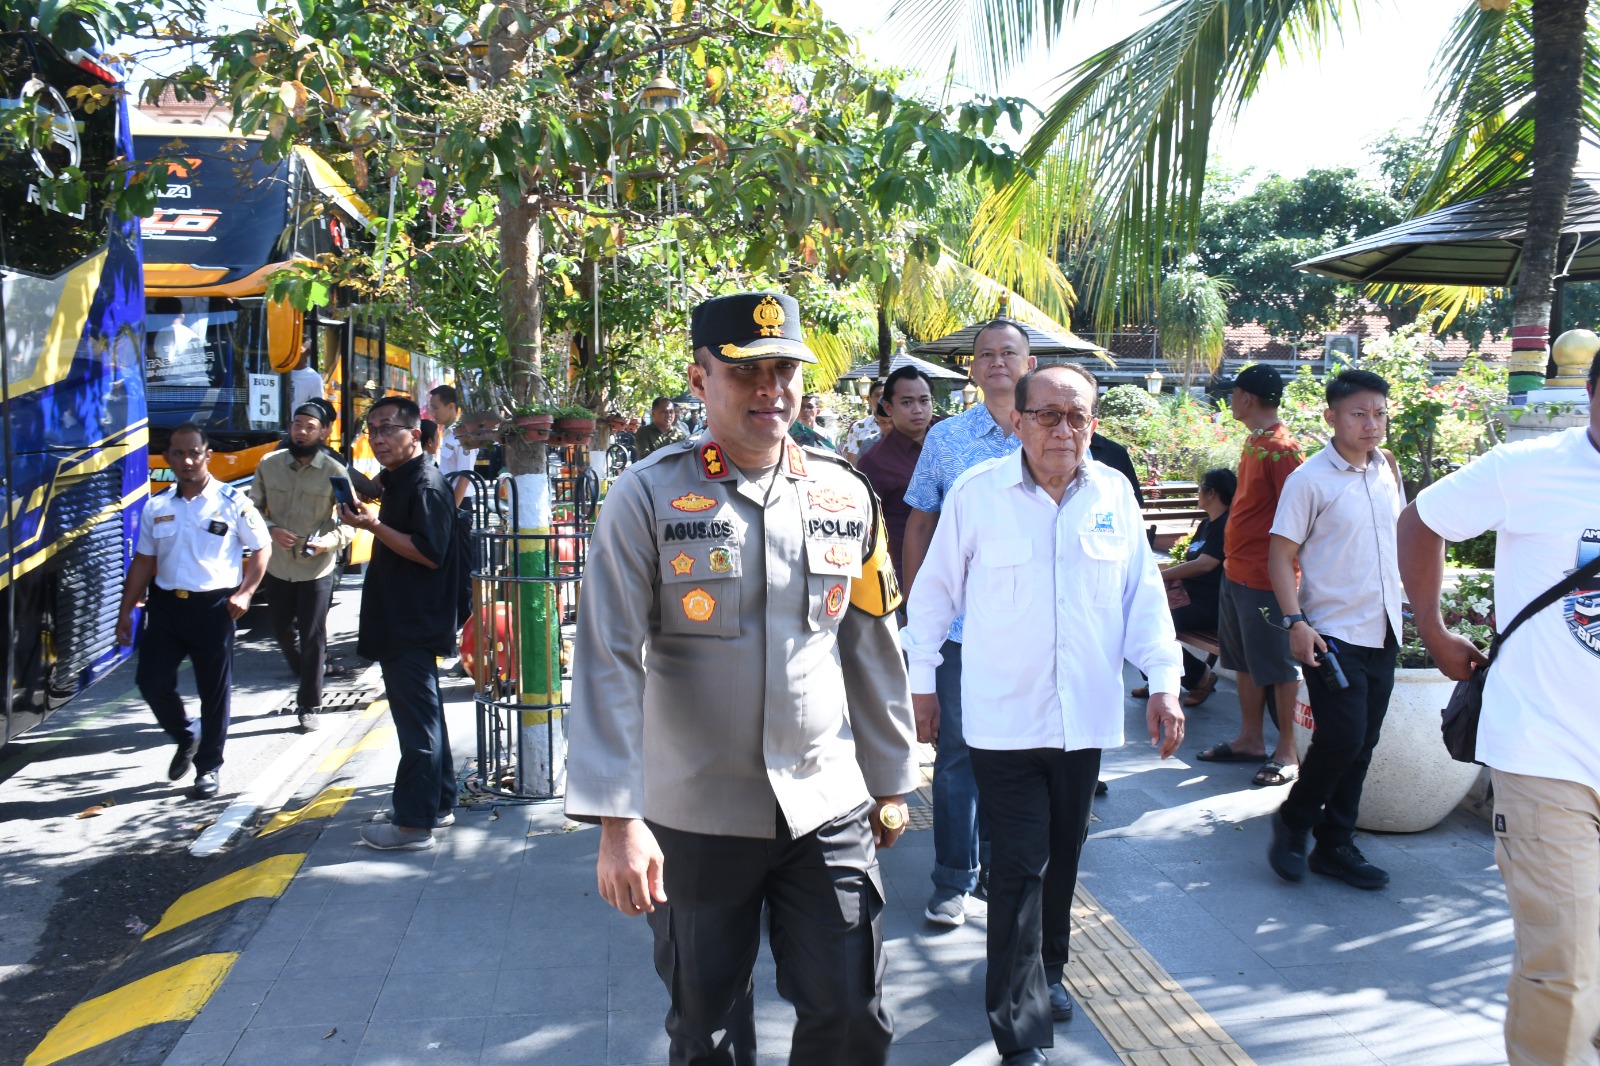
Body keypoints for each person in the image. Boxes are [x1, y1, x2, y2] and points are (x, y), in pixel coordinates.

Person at [565, 291, 919, 1066]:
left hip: (824, 802)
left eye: (784, 369)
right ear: (700, 381)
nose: (770, 390)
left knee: (854, 1012)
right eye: (746, 372)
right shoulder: (648, 495)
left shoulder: (844, 492)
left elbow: (870, 643)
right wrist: (617, 823)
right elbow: (608, 658)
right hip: (692, 815)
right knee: (708, 1026)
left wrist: (891, 780)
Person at [903, 363, 1184, 1066]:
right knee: (1018, 867)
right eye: (1048, 416)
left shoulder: (1114, 493)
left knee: (1063, 859)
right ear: (1020, 422)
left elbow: (1142, 597)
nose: (1064, 429)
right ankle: (1020, 1029)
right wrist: (923, 682)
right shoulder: (978, 494)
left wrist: (1165, 682)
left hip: (1083, 720)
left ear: (1093, 423)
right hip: (1001, 720)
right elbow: (934, 595)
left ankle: (1049, 970)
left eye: (1077, 416)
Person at [1397, 349, 1600, 1065]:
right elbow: (1421, 520)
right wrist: (1433, 628)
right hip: (1548, 754)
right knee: (1565, 969)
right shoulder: (1530, 467)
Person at [902, 317, 1035, 927]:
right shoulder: (947, 438)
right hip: (960, 627)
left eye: (1010, 353)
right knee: (957, 755)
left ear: (1028, 363)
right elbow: (921, 522)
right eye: (987, 355)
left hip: (1037, 628)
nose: (999, 362)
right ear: (973, 369)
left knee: (1025, 753)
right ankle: (953, 878)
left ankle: (1003, 871)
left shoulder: (1056, 432)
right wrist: (913, 604)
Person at [1265, 370, 1404, 889]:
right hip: (1331, 631)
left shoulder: (1387, 466)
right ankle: (1295, 820)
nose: (1372, 424)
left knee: (1363, 741)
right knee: (1341, 737)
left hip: (1384, 627)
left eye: (1380, 413)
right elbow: (1280, 556)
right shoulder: (1310, 479)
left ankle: (1334, 844)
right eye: (1359, 413)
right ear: (1331, 417)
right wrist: (1295, 622)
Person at [115, 424, 271, 798]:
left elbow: (262, 548)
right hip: (167, 607)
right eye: (179, 454)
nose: (187, 461)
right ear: (168, 459)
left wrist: (246, 593)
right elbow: (142, 561)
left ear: (207, 455)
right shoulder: (157, 506)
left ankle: (209, 769)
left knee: (213, 693)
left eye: (194, 453)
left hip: (214, 608)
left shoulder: (233, 502)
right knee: (151, 682)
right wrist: (124, 611)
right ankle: (186, 736)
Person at [340, 397, 461, 850]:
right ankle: (440, 801)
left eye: (389, 428)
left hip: (411, 621)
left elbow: (429, 552)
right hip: (399, 617)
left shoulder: (426, 484)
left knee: (417, 727)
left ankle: (412, 825)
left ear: (416, 434)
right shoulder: (398, 479)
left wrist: (372, 527)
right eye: (372, 429)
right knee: (426, 717)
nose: (379, 437)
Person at [1194, 364, 1305, 788]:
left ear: (1246, 398)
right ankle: (1250, 739)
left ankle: (1288, 750)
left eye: (1234, 393)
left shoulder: (1282, 449)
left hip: (1266, 578)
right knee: (1240, 660)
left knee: (1278, 666)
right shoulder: (1258, 442)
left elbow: (1299, 514)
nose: (1231, 400)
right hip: (1237, 572)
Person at [249, 403, 356, 732]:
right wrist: (270, 529)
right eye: (297, 425)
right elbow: (250, 510)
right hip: (279, 565)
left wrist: (327, 543)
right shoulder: (269, 465)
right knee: (282, 630)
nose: (301, 431)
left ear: (323, 432)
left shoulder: (336, 472)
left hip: (317, 567)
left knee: (313, 636)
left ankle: (309, 703)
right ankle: (308, 668)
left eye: (310, 426)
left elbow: (351, 523)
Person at [1133, 467, 1234, 706]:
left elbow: (1204, 565)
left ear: (1212, 493)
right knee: (1135, 614)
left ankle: (1200, 677)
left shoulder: (1228, 524)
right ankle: (1159, 680)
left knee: (1151, 624)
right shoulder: (1206, 523)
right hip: (1188, 596)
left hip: (1212, 603)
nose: (1198, 493)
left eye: (1200, 488)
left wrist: (1160, 576)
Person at [858, 365, 935, 582]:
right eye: (907, 402)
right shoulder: (874, 462)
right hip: (906, 575)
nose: (918, 409)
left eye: (924, 400)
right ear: (889, 408)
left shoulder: (950, 439)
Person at [427, 383, 477, 506]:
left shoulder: (464, 435)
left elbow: (464, 477)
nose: (432, 413)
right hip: (445, 498)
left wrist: (452, 510)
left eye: (435, 408)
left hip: (459, 502)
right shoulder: (447, 432)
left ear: (451, 406)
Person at [841, 380, 886, 464]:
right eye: (877, 395)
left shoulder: (902, 425)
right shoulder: (858, 427)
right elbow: (852, 462)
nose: (881, 399)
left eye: (885, 395)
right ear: (869, 400)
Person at [287, 349, 324, 416]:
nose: (294, 353)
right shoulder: (276, 372)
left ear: (308, 352)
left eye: (299, 349)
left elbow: (316, 410)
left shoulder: (314, 378)